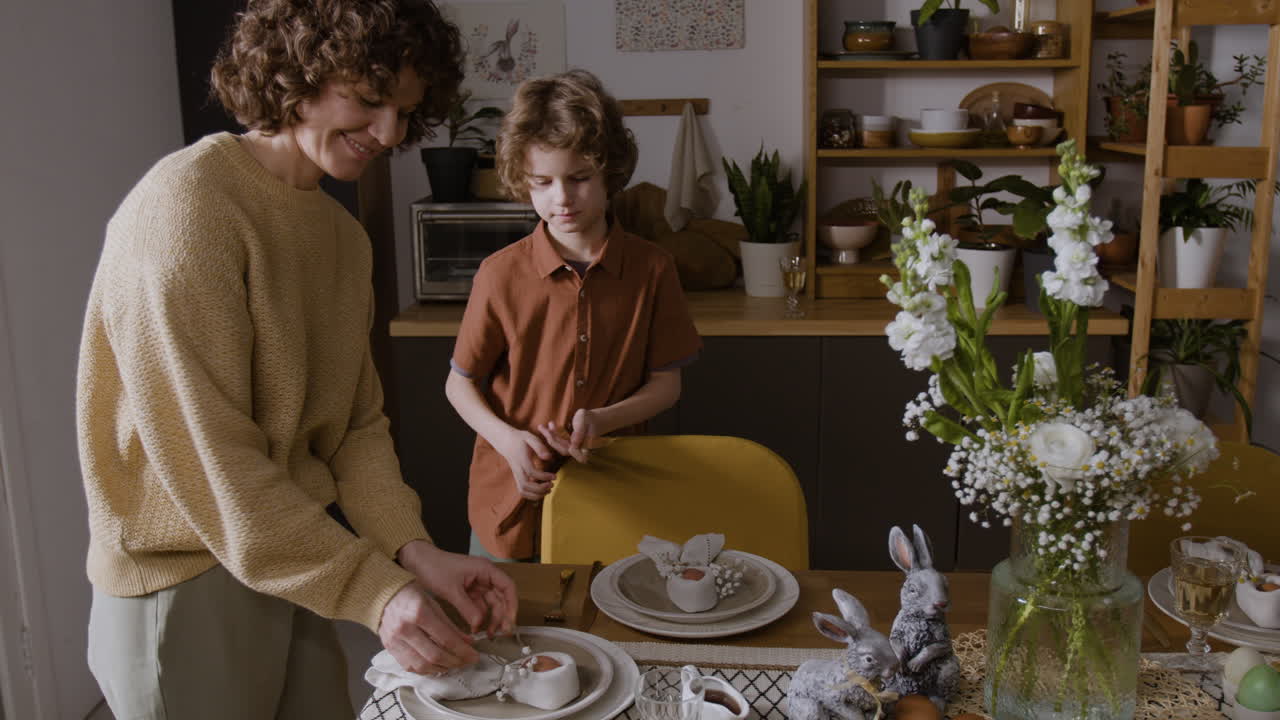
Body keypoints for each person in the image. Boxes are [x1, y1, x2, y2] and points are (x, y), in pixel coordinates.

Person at [75, 1, 517, 717]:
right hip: (187, 583)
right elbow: (214, 463)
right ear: (296, 73)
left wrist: (411, 551)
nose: (389, 133)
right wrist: (375, 592)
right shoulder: (187, 209)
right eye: (369, 101)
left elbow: (355, 428)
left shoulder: (341, 236)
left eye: (404, 111)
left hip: (295, 553)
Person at [446, 69, 703, 562]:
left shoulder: (653, 270)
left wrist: (605, 419)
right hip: (511, 494)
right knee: (505, 628)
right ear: (524, 181)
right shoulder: (499, 275)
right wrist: (508, 441)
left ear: (610, 173)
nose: (561, 198)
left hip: (616, 495)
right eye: (542, 182)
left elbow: (666, 385)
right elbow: (459, 384)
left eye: (579, 179)